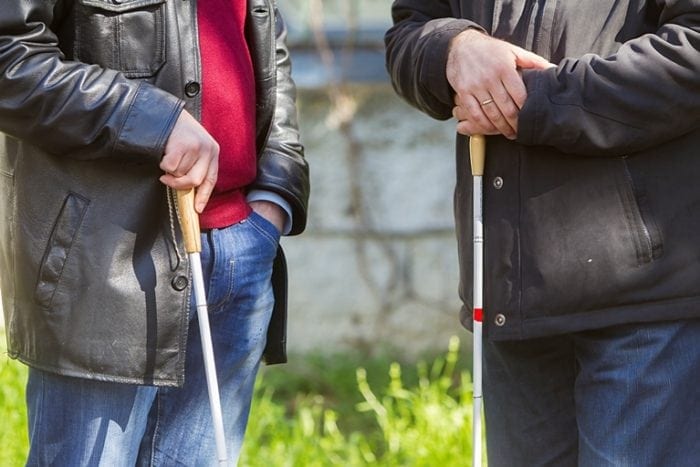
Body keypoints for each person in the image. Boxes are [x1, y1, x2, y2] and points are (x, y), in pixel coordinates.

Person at [385, 1, 700, 465]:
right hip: (510, 291)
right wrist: (455, 46)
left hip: (644, 299)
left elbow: (691, 50)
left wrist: (535, 100)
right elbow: (409, 31)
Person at [0, 0, 309, 464]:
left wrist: (274, 197)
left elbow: (265, 37)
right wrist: (152, 121)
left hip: (239, 250)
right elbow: (9, 56)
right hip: (103, 266)